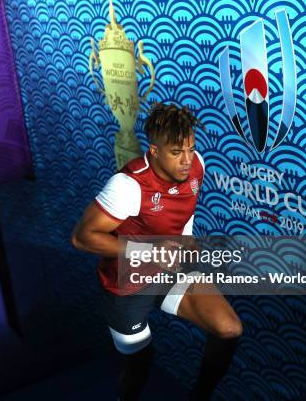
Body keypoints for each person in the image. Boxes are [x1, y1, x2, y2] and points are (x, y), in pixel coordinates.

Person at [71, 103, 242, 400]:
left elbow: (183, 212)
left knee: (228, 328)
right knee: (140, 366)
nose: (186, 160)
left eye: (190, 149)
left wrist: (186, 243)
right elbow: (82, 238)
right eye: (177, 153)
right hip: (126, 283)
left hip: (170, 268)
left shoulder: (196, 165)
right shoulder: (128, 186)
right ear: (154, 151)